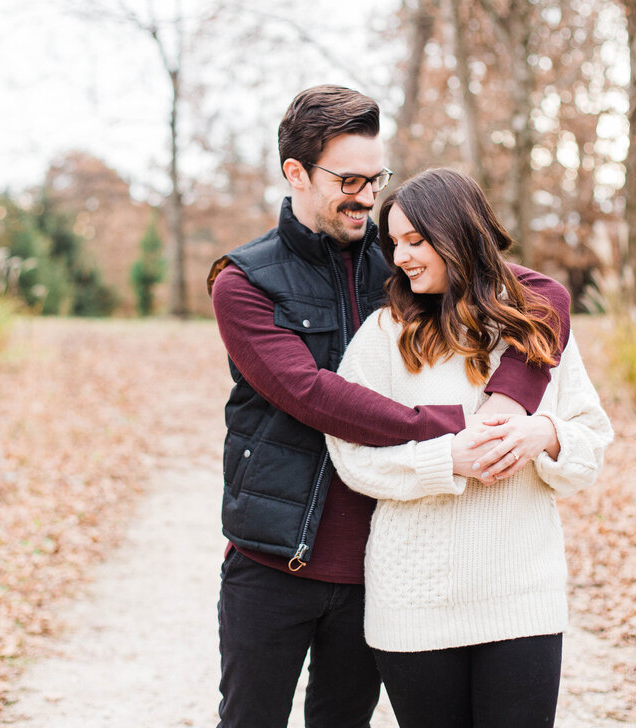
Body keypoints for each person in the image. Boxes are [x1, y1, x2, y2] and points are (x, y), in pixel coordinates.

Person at [207, 85, 572, 728]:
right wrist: (460, 429)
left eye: (377, 178)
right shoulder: (244, 282)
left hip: (376, 563)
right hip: (274, 559)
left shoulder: (403, 257)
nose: (368, 195)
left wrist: (510, 403)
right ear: (296, 172)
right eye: (349, 179)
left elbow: (542, 295)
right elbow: (310, 394)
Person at [326, 167, 614, 728]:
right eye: (394, 244)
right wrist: (446, 461)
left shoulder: (535, 329)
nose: (402, 257)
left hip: (520, 595)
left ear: (459, 236)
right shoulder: (385, 336)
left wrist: (544, 435)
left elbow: (591, 440)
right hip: (415, 601)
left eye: (416, 241)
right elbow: (351, 456)